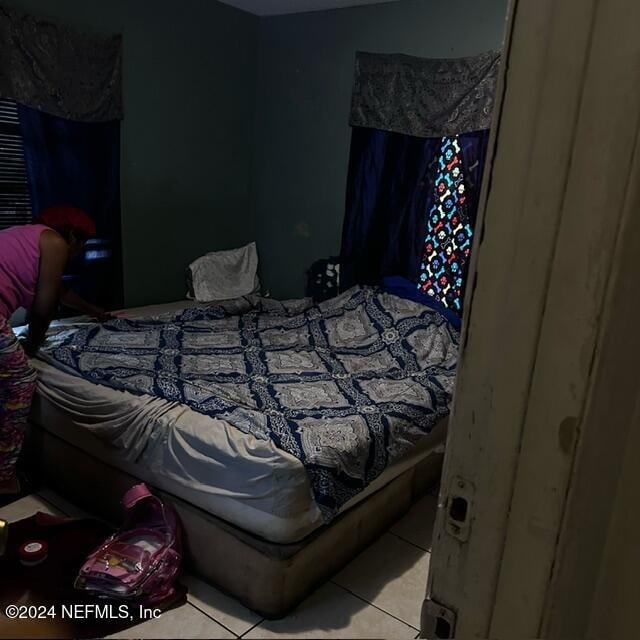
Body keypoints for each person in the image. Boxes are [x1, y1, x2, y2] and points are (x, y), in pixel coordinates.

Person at [0, 205, 112, 503]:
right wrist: (31, 347)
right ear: (72, 235)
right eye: (82, 243)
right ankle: (4, 479)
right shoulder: (54, 242)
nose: (79, 252)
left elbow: (59, 292)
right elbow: (45, 306)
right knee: (20, 381)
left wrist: (95, 311)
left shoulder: (26, 236)